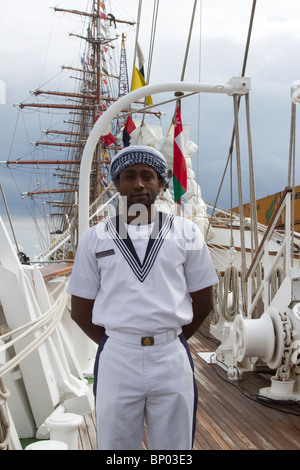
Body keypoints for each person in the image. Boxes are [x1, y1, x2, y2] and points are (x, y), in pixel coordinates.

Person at [68, 145, 218, 450]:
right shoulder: (95, 238)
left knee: (174, 448)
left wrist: (170, 339)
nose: (138, 184)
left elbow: (205, 301)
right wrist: (120, 342)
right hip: (117, 358)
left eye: (147, 176)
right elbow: (80, 309)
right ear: (117, 184)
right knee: (116, 447)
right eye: (129, 176)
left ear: (161, 184)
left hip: (170, 356)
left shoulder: (186, 233)